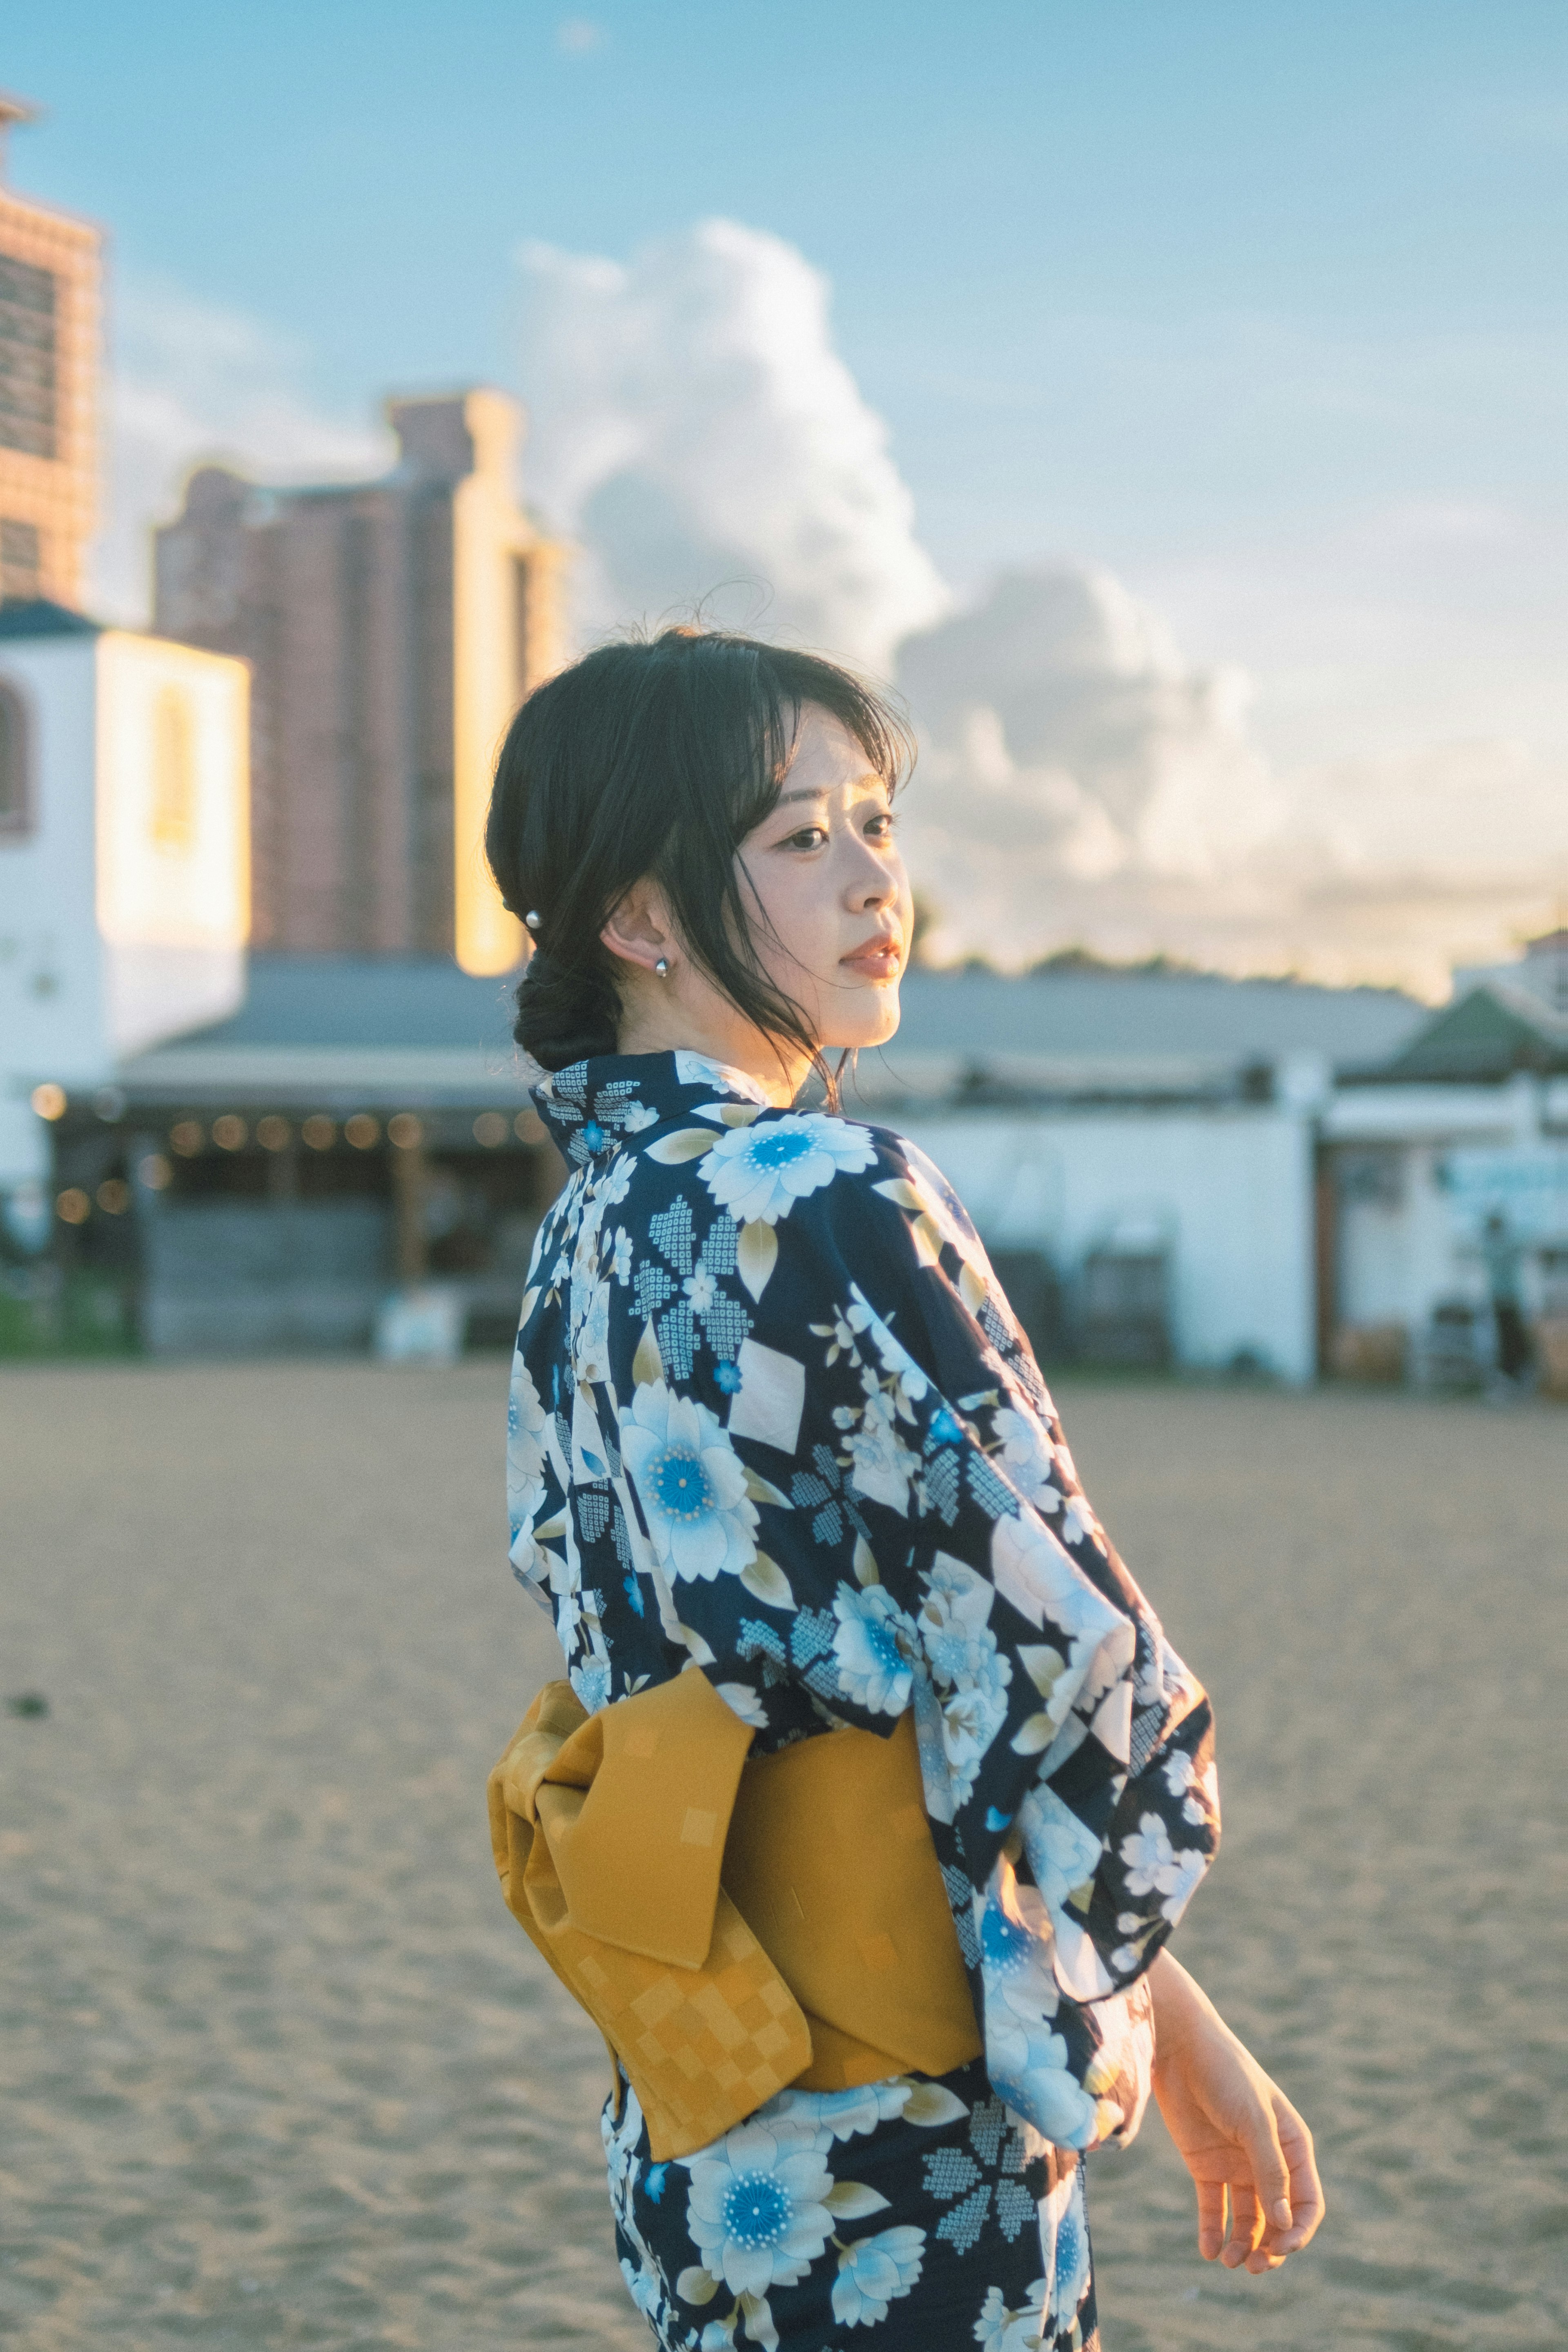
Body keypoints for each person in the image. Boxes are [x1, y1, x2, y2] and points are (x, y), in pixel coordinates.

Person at [485, 628, 1323, 2352]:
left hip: (705, 2072)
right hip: (906, 2103)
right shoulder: (835, 1188)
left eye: (876, 822)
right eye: (800, 838)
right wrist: (1140, 2004)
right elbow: (1057, 1667)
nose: (876, 877)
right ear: (642, 920)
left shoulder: (591, 1226)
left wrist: (1189, 2025)